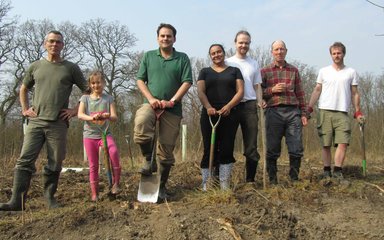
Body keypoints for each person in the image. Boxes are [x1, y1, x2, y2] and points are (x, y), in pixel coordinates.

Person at [0, 30, 88, 211]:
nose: (55, 45)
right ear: (45, 43)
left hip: (58, 123)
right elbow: (23, 89)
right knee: (24, 160)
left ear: (63, 45)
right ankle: (17, 201)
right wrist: (25, 109)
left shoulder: (71, 68)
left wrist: (74, 110)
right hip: (36, 122)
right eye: (51, 41)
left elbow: (87, 90)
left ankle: (49, 197)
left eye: (58, 42)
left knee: (55, 161)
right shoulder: (35, 66)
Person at [134, 23, 192, 201]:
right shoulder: (149, 56)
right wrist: (151, 99)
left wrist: (173, 100)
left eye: (169, 36)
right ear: (157, 37)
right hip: (150, 104)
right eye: (162, 35)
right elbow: (140, 80)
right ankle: (148, 159)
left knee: (166, 151)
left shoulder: (182, 58)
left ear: (174, 38)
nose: (165, 38)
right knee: (141, 122)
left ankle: (161, 187)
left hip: (172, 109)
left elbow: (187, 81)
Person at [307, 42, 365, 180]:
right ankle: (326, 171)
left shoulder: (351, 72)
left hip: (342, 112)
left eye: (339, 53)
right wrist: (309, 107)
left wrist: (357, 111)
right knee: (325, 144)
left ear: (343, 54)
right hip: (325, 111)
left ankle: (338, 171)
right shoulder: (324, 71)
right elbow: (317, 90)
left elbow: (355, 93)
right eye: (334, 53)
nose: (336, 56)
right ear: (331, 55)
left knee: (343, 142)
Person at [261, 40, 308, 184]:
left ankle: (294, 178)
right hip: (273, 111)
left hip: (293, 112)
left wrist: (304, 113)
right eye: (276, 49)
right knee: (273, 147)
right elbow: (258, 93)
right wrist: (271, 90)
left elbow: (300, 93)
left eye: (282, 49)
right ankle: (273, 180)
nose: (279, 52)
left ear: (286, 51)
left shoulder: (293, 70)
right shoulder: (265, 71)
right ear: (272, 52)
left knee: (296, 146)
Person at [197, 44, 244, 190]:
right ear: (210, 56)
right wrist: (208, 107)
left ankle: (224, 182)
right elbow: (200, 91)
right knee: (208, 148)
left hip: (229, 114)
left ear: (224, 53)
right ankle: (207, 182)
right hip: (209, 115)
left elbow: (240, 91)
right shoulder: (204, 72)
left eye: (219, 52)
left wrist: (229, 106)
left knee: (226, 148)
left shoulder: (234, 71)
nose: (216, 55)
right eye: (213, 53)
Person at [78, 71, 121, 202]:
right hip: (90, 135)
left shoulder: (108, 98)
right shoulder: (85, 98)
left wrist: (107, 115)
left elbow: (114, 116)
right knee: (93, 165)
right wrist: (92, 117)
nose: (96, 85)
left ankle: (116, 183)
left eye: (99, 82)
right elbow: (80, 114)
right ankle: (95, 193)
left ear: (104, 83)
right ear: (90, 85)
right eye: (93, 83)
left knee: (113, 152)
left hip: (105, 133)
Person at [226, 30, 262, 183]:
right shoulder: (228, 62)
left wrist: (260, 101)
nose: (243, 45)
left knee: (251, 145)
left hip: (249, 106)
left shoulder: (254, 63)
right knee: (227, 142)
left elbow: (257, 86)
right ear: (235, 43)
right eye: (241, 42)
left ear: (249, 44)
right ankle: (224, 180)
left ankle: (250, 180)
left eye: (246, 43)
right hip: (231, 107)